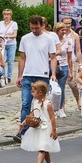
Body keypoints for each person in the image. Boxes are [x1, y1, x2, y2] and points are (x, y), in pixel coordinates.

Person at [15, 15, 58, 143]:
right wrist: (19, 75)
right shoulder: (25, 39)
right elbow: (22, 58)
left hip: (42, 74)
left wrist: (53, 74)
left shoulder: (48, 39)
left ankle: (41, 129)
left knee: (41, 105)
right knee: (25, 104)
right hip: (28, 75)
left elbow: (53, 57)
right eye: (32, 28)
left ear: (42, 25)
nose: (34, 30)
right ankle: (22, 132)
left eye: (36, 28)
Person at [19, 81, 60, 163]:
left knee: (42, 148)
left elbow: (52, 118)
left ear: (40, 93)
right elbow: (33, 113)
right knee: (44, 147)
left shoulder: (48, 104)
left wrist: (54, 130)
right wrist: (24, 122)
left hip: (46, 129)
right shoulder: (36, 102)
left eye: (33, 91)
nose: (31, 93)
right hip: (38, 128)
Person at [62, 16, 82, 111]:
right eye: (65, 23)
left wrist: (80, 64)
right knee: (60, 84)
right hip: (61, 61)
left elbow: (78, 50)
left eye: (69, 23)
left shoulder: (74, 35)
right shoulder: (58, 34)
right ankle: (61, 104)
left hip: (72, 61)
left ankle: (78, 99)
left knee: (73, 83)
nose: (67, 25)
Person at [53, 22, 73, 118]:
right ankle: (52, 108)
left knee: (61, 88)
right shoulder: (52, 41)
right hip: (53, 65)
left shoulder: (68, 42)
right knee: (52, 88)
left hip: (63, 66)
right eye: (62, 30)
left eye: (65, 30)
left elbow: (69, 58)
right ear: (57, 31)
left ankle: (60, 108)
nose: (64, 32)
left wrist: (70, 71)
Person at [0, 9, 18, 85]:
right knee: (2, 60)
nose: (6, 16)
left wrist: (7, 36)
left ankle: (9, 77)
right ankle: (3, 75)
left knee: (10, 61)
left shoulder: (14, 24)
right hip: (2, 44)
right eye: (5, 14)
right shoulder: (0, 23)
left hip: (11, 44)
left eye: (8, 14)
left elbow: (14, 35)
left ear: (10, 15)